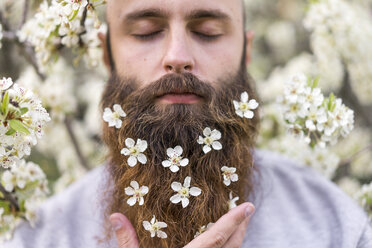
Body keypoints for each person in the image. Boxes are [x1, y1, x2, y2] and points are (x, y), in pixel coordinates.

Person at [4, 0, 372, 247]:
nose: (177, 57)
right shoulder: (41, 237)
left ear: (246, 51)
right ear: (106, 54)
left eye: (208, 31)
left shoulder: (336, 230)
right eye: (146, 30)